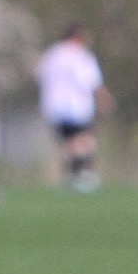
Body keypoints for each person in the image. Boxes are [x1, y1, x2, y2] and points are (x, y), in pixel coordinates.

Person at [36, 23, 113, 192]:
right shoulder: (81, 56)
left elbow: (41, 77)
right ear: (78, 37)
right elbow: (91, 81)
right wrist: (104, 99)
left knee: (68, 142)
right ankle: (82, 174)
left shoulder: (52, 55)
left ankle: (69, 176)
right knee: (84, 141)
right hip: (76, 106)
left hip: (54, 107)